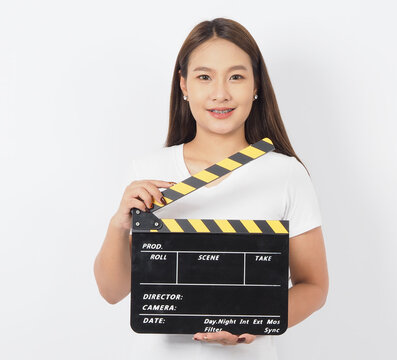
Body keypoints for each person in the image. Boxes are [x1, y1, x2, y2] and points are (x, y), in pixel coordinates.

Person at [93, 18, 329, 360]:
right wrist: (119, 224)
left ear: (256, 85)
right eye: (205, 77)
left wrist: (255, 321)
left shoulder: (286, 174)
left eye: (236, 76)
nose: (221, 93)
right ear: (184, 84)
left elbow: (315, 286)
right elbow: (112, 291)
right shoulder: (147, 172)